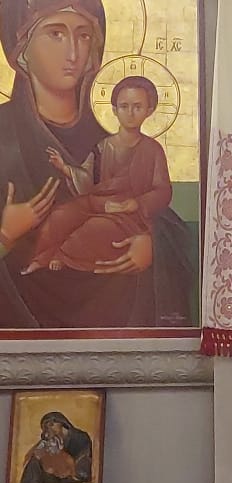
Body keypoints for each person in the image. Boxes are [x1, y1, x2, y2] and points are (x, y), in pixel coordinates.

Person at [0, 0, 193, 328]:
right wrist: (5, 235)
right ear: (22, 50)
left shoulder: (119, 142)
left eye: (84, 35)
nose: (73, 52)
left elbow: (167, 221)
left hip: (121, 332)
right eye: (56, 34)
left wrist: (152, 247)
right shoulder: (4, 136)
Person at [23, 75, 172, 273]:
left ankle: (62, 255)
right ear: (115, 110)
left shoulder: (152, 150)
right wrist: (65, 168)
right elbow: (87, 178)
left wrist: (137, 203)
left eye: (137, 107)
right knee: (61, 216)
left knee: (94, 229)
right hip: (97, 203)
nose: (130, 113)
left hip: (127, 214)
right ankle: (41, 257)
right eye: (124, 106)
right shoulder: (103, 146)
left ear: (149, 110)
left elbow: (163, 190)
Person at [19, 411, 92, 483]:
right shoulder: (50, 440)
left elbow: (82, 468)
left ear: (63, 423)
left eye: (51, 425)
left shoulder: (79, 437)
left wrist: (60, 456)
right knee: (35, 460)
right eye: (45, 429)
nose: (48, 430)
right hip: (53, 479)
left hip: (74, 478)